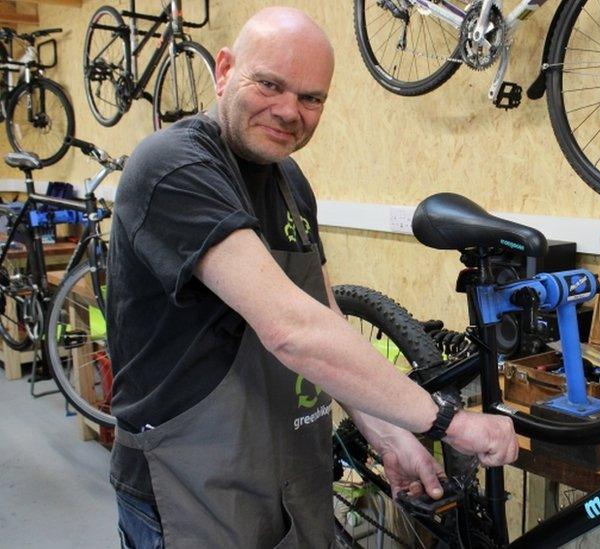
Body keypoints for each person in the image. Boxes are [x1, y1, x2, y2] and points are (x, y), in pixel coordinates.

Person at [107, 7, 518, 548]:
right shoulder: (174, 167)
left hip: (283, 470)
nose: (288, 111)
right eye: (270, 84)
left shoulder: (288, 180)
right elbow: (290, 328)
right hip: (188, 485)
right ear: (224, 71)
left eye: (311, 98)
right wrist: (447, 422)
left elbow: (324, 318)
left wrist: (387, 434)